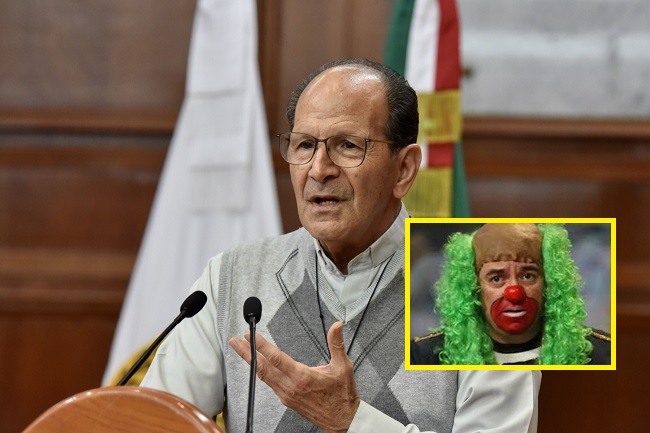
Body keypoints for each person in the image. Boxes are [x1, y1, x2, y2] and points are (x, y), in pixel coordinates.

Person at [141, 58, 541, 432]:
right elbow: (152, 422)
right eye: (304, 145)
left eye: (348, 145)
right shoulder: (233, 279)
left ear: (404, 170)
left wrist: (352, 421)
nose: (319, 169)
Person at [411, 223, 611, 365]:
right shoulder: (423, 356)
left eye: (527, 275)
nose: (515, 292)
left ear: (550, 283)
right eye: (497, 278)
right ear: (473, 287)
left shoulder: (602, 353)